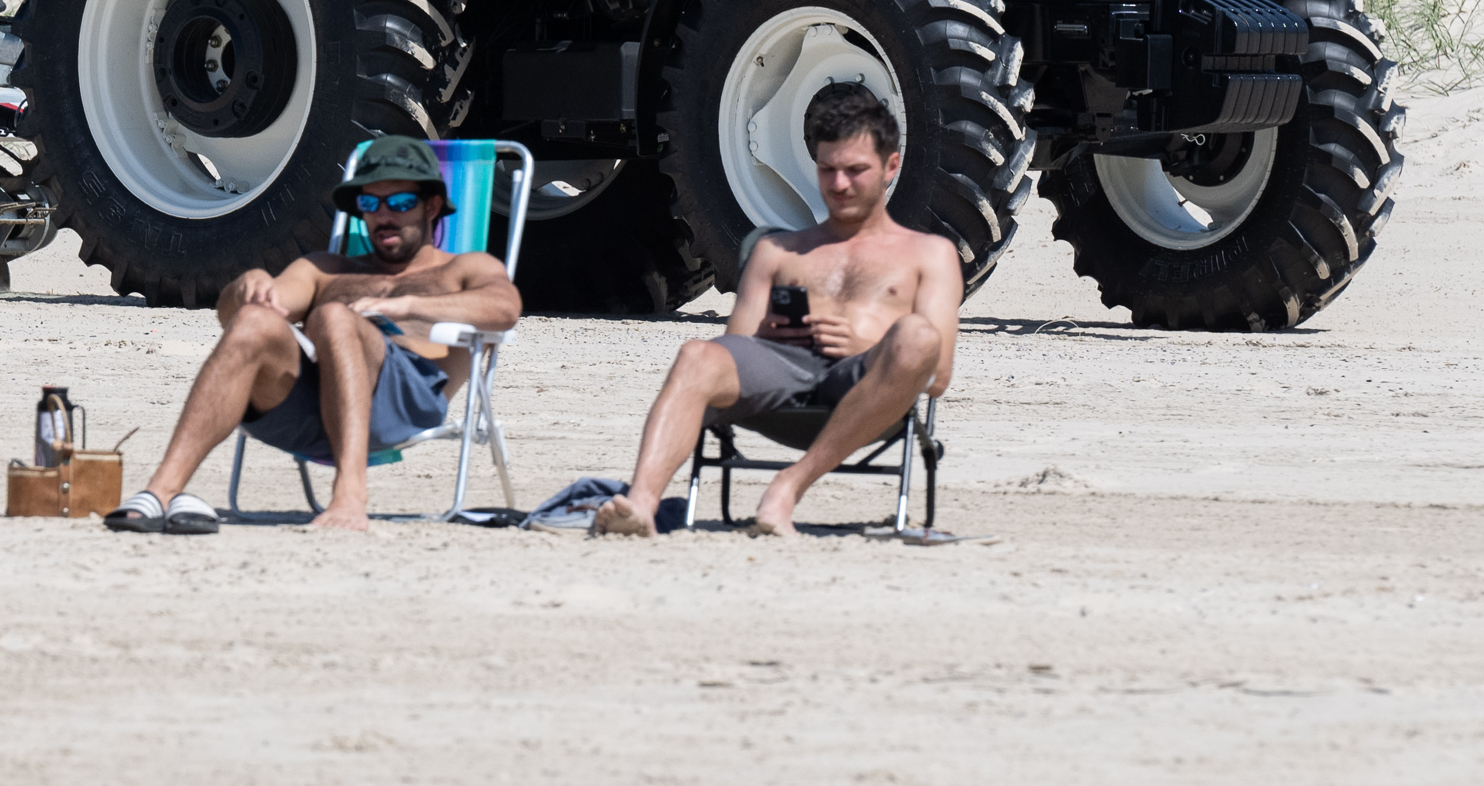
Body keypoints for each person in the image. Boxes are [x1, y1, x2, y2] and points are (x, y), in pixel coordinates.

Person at [592, 82, 958, 539]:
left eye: (855, 170)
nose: (839, 184)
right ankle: (641, 504)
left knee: (918, 337)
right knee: (697, 355)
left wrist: (867, 343)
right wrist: (769, 334)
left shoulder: (929, 254)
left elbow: (937, 375)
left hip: (867, 381)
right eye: (828, 170)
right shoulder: (778, 251)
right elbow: (735, 344)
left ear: (891, 166)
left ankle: (789, 486)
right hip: (780, 376)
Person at [104, 135, 522, 536]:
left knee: (333, 318)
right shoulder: (328, 269)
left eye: (400, 202)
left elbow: (505, 309)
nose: (384, 215)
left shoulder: (463, 268)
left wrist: (407, 306)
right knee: (255, 320)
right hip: (313, 405)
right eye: (370, 203)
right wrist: (244, 286)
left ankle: (349, 494)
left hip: (402, 406)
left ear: (431, 205)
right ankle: (161, 490)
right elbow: (234, 315)